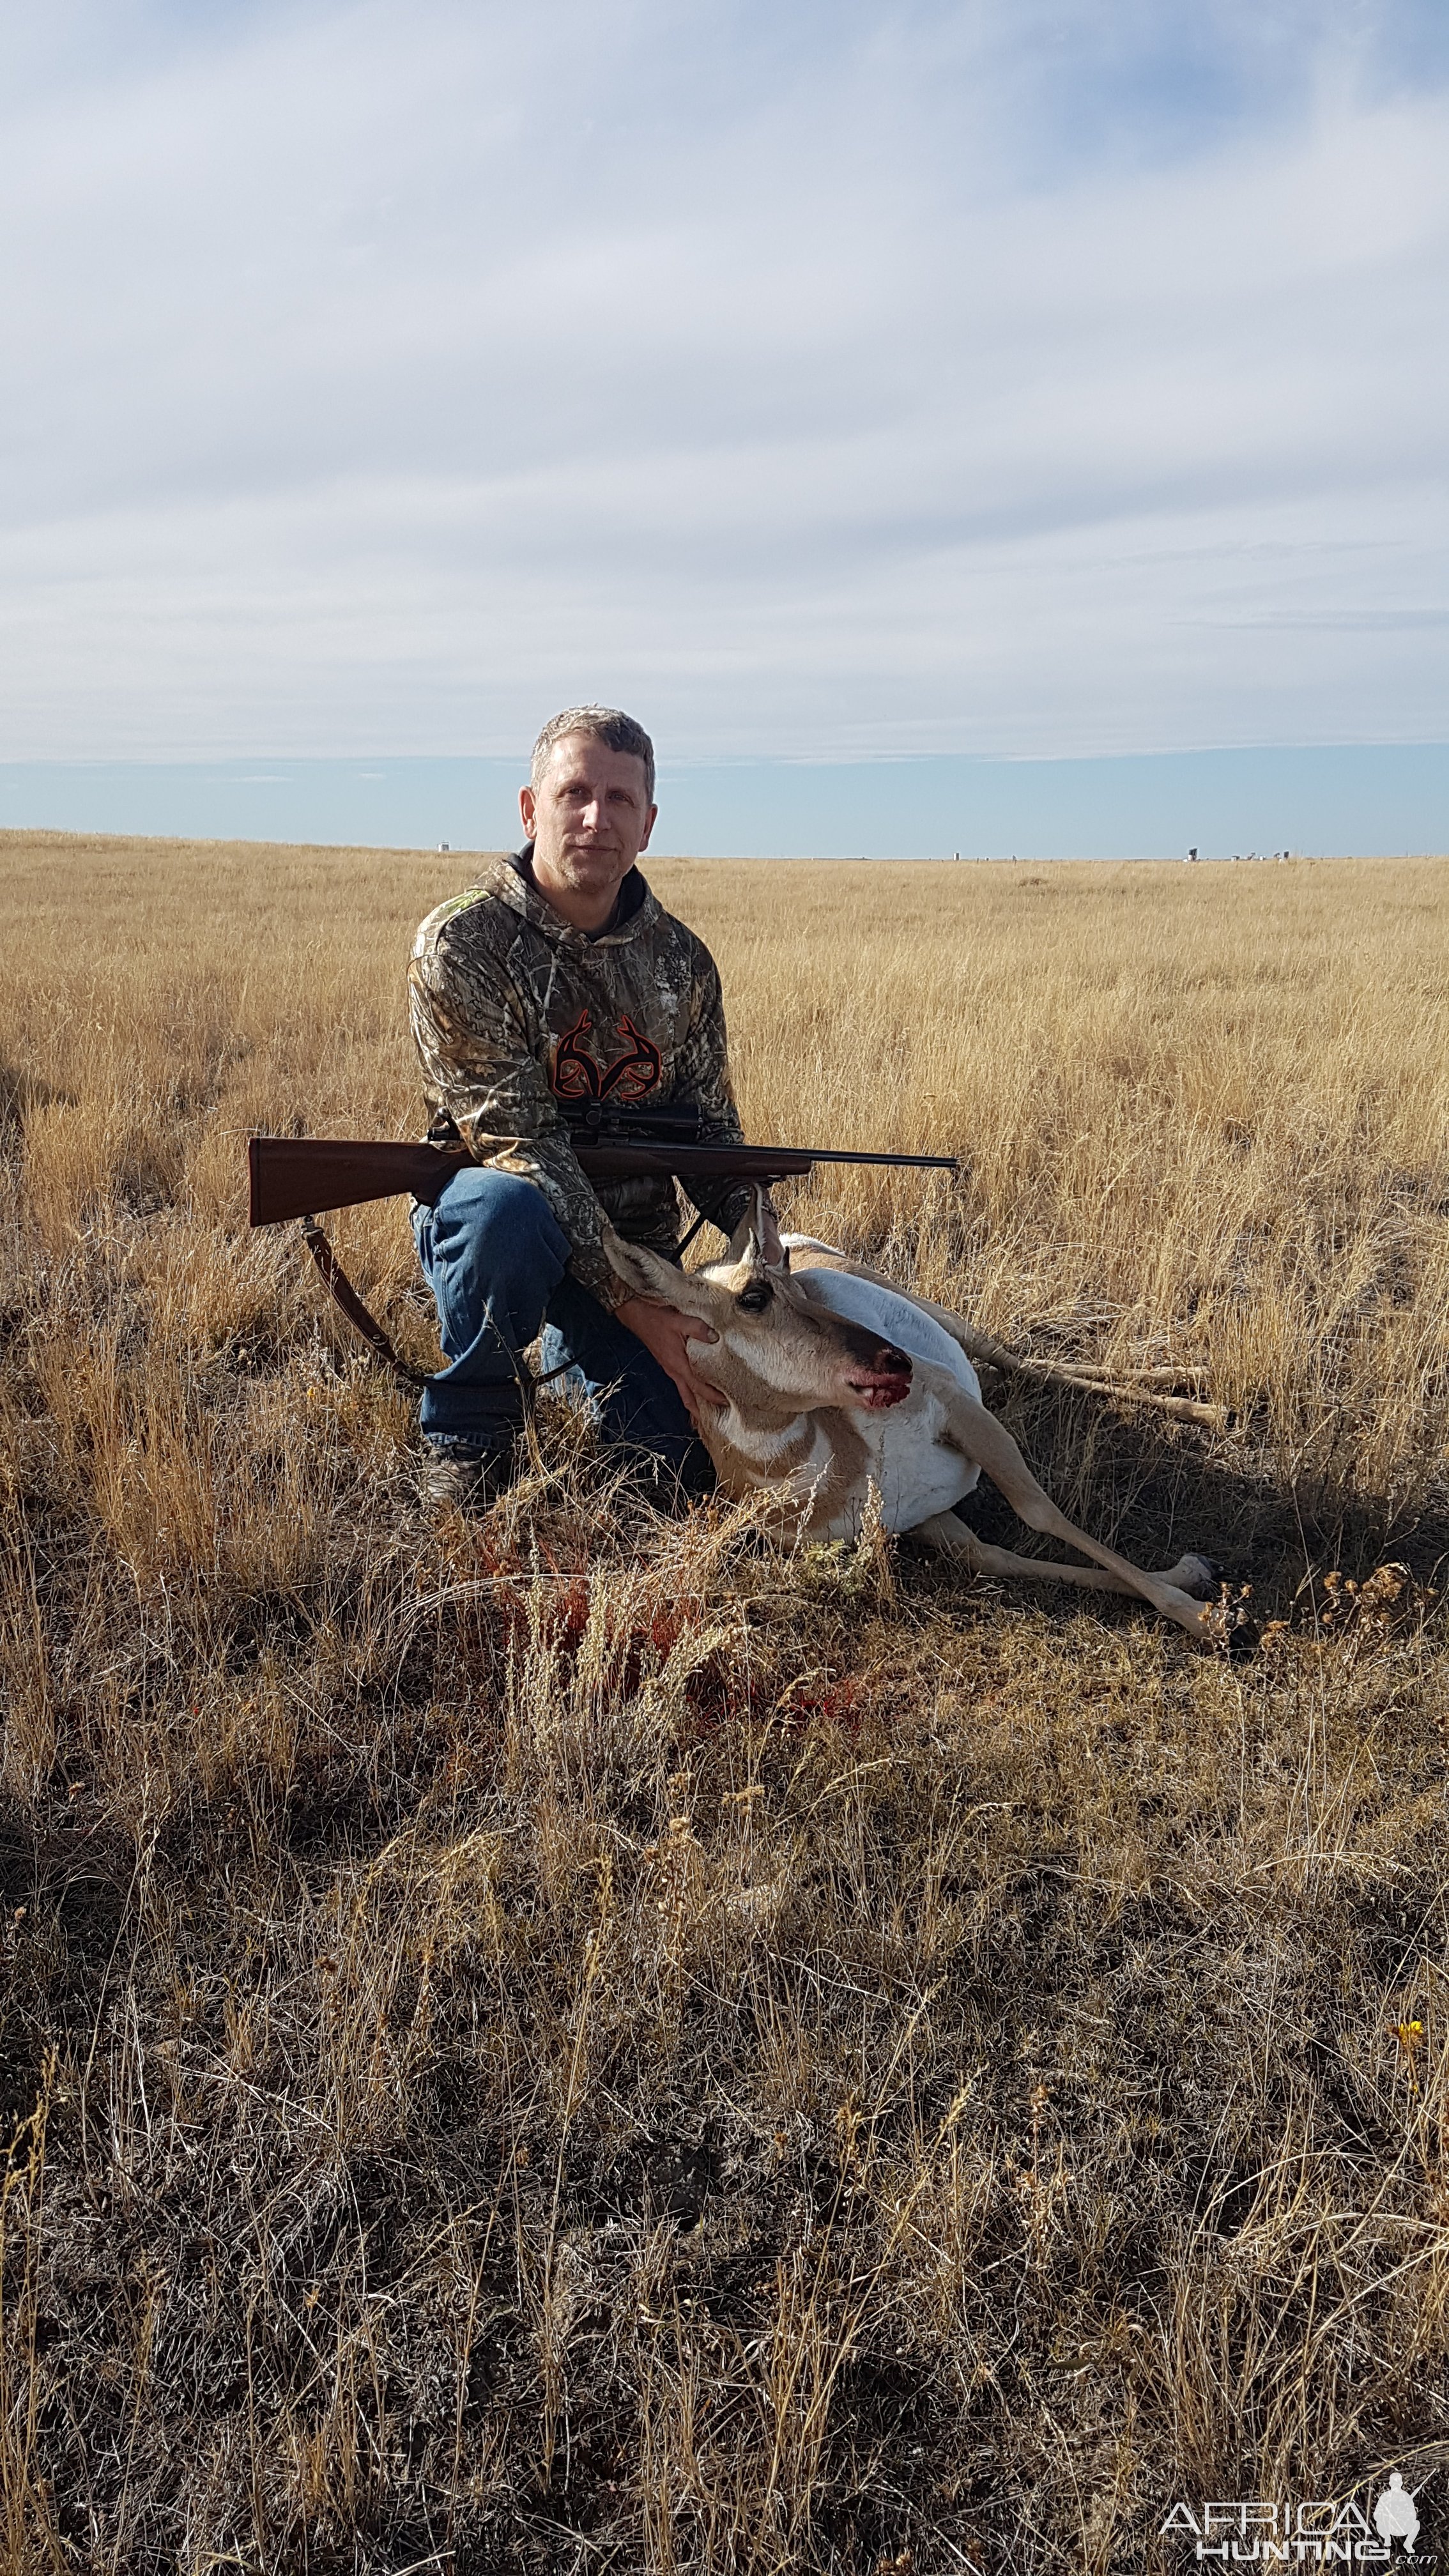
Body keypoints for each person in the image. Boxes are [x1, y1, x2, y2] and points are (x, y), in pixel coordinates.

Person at [408, 705, 779, 1508]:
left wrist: (757, 1224)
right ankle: (470, 1441)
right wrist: (639, 1310)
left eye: (619, 800)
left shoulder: (683, 961)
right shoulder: (460, 945)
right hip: (503, 1223)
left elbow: (714, 1138)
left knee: (674, 1471)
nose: (594, 818)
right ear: (529, 807)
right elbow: (522, 1144)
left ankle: (580, 1362)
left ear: (647, 824)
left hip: (635, 1247)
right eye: (574, 792)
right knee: (506, 1210)